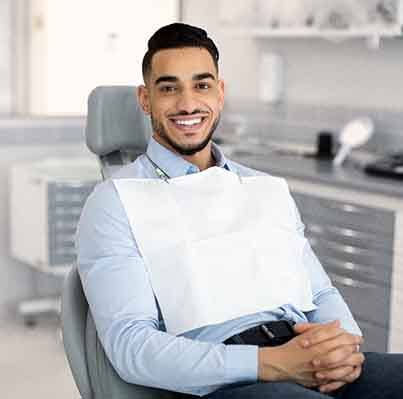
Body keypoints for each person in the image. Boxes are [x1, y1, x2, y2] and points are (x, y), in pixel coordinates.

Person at [76, 23, 402, 398]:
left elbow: (321, 292)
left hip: (306, 355)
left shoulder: (265, 187)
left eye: (201, 85)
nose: (187, 104)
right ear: (145, 99)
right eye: (169, 88)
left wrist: (343, 347)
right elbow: (131, 346)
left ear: (220, 92)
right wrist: (272, 364)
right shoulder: (115, 202)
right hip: (229, 379)